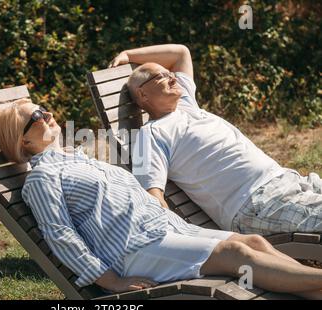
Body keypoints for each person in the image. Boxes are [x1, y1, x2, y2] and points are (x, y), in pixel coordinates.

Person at [0, 98, 322, 299]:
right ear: (21, 142)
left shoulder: (77, 159)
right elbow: (60, 234)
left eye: (45, 110)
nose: (48, 116)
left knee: (254, 242)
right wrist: (112, 281)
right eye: (37, 117)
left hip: (166, 231)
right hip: (134, 252)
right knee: (235, 252)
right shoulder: (41, 178)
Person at [108, 44, 322, 236]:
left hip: (289, 181)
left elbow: (180, 52)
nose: (172, 76)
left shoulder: (186, 103)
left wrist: (127, 53)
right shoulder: (152, 134)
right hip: (256, 204)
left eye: (169, 72)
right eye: (161, 76)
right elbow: (153, 195)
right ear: (143, 95)